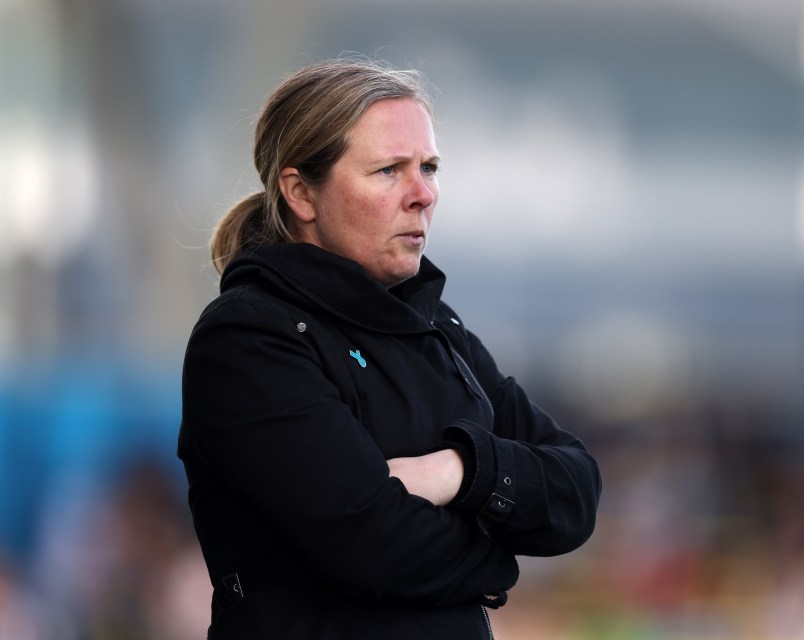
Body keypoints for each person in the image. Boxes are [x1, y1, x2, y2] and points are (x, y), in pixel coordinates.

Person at [178, 58, 602, 640]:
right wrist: (498, 557)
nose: (423, 194)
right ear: (301, 193)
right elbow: (370, 541)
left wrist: (460, 469)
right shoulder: (249, 337)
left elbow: (576, 488)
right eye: (388, 171)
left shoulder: (437, 329)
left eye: (429, 167)